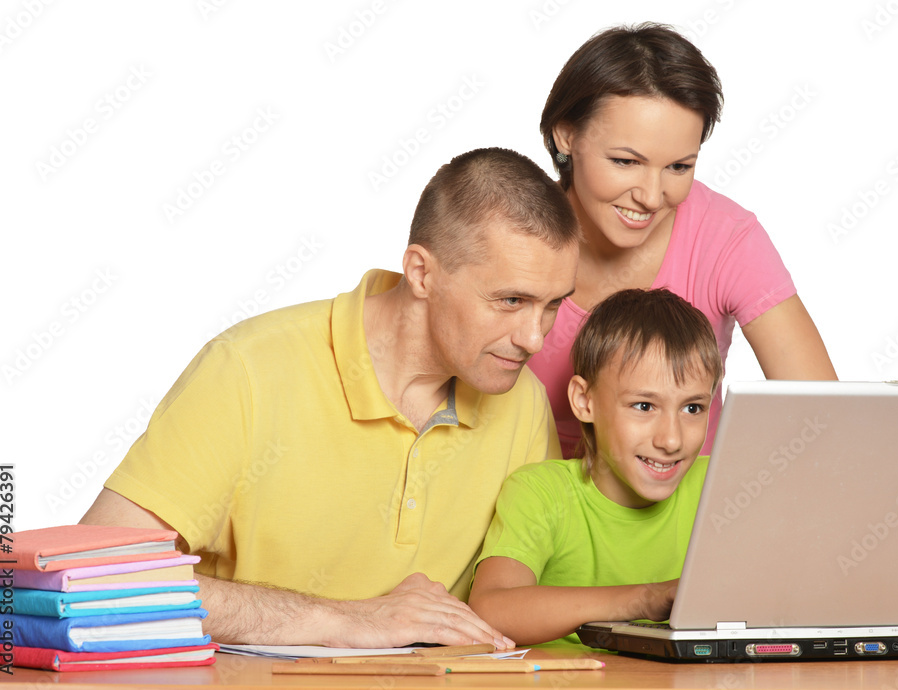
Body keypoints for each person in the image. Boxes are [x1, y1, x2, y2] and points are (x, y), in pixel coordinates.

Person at [79, 147, 580, 649]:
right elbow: (100, 574)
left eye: (552, 305)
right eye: (511, 301)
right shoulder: (249, 368)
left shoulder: (523, 401)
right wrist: (349, 620)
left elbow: (535, 602)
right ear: (422, 273)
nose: (535, 339)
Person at [528, 23, 837, 458]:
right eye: (625, 161)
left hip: (685, 512)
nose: (652, 197)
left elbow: (823, 416)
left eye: (678, 167)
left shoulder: (726, 238)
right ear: (567, 136)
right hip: (531, 508)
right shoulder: (511, 234)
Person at [469, 288, 722, 645]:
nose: (671, 440)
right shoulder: (542, 493)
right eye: (644, 406)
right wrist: (644, 599)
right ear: (584, 401)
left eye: (692, 408)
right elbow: (490, 610)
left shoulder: (722, 486)